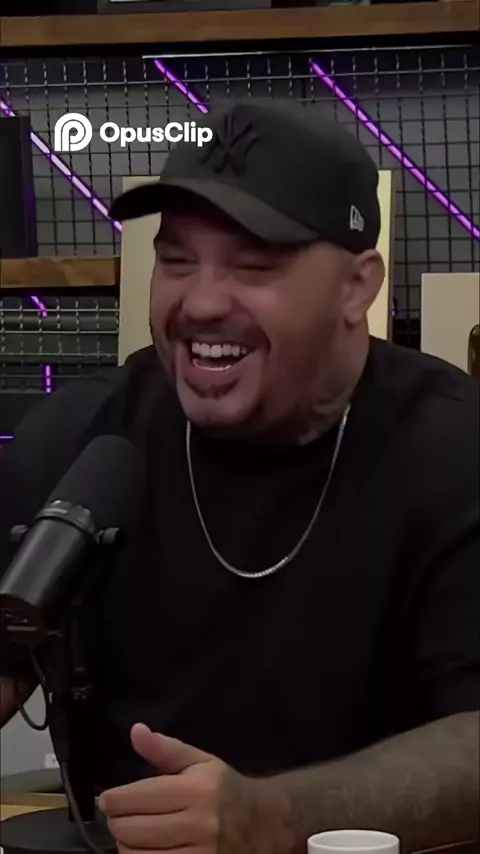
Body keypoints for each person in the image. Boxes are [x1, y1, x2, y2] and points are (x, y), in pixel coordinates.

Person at [1, 99, 479, 854]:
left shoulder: (454, 452)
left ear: (358, 287)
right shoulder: (80, 440)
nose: (200, 303)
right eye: (176, 261)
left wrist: (276, 816)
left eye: (254, 266)